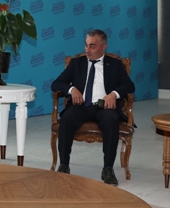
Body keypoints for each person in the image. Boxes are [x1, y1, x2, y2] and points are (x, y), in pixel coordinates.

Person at [50, 29, 135, 185]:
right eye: (86, 45)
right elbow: (56, 84)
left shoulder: (115, 64)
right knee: (67, 118)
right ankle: (64, 165)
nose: (87, 50)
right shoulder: (77, 63)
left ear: (103, 47)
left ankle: (108, 169)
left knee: (111, 120)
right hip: (80, 105)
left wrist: (114, 94)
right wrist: (71, 89)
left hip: (103, 106)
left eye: (92, 46)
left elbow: (129, 86)